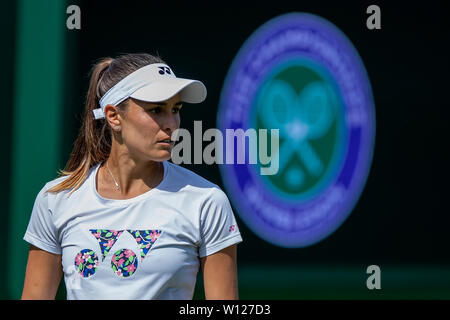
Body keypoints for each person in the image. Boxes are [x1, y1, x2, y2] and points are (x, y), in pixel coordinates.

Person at [21, 53, 243, 300]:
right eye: (157, 110)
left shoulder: (207, 201)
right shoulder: (56, 199)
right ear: (114, 116)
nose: (171, 123)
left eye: (176, 109)